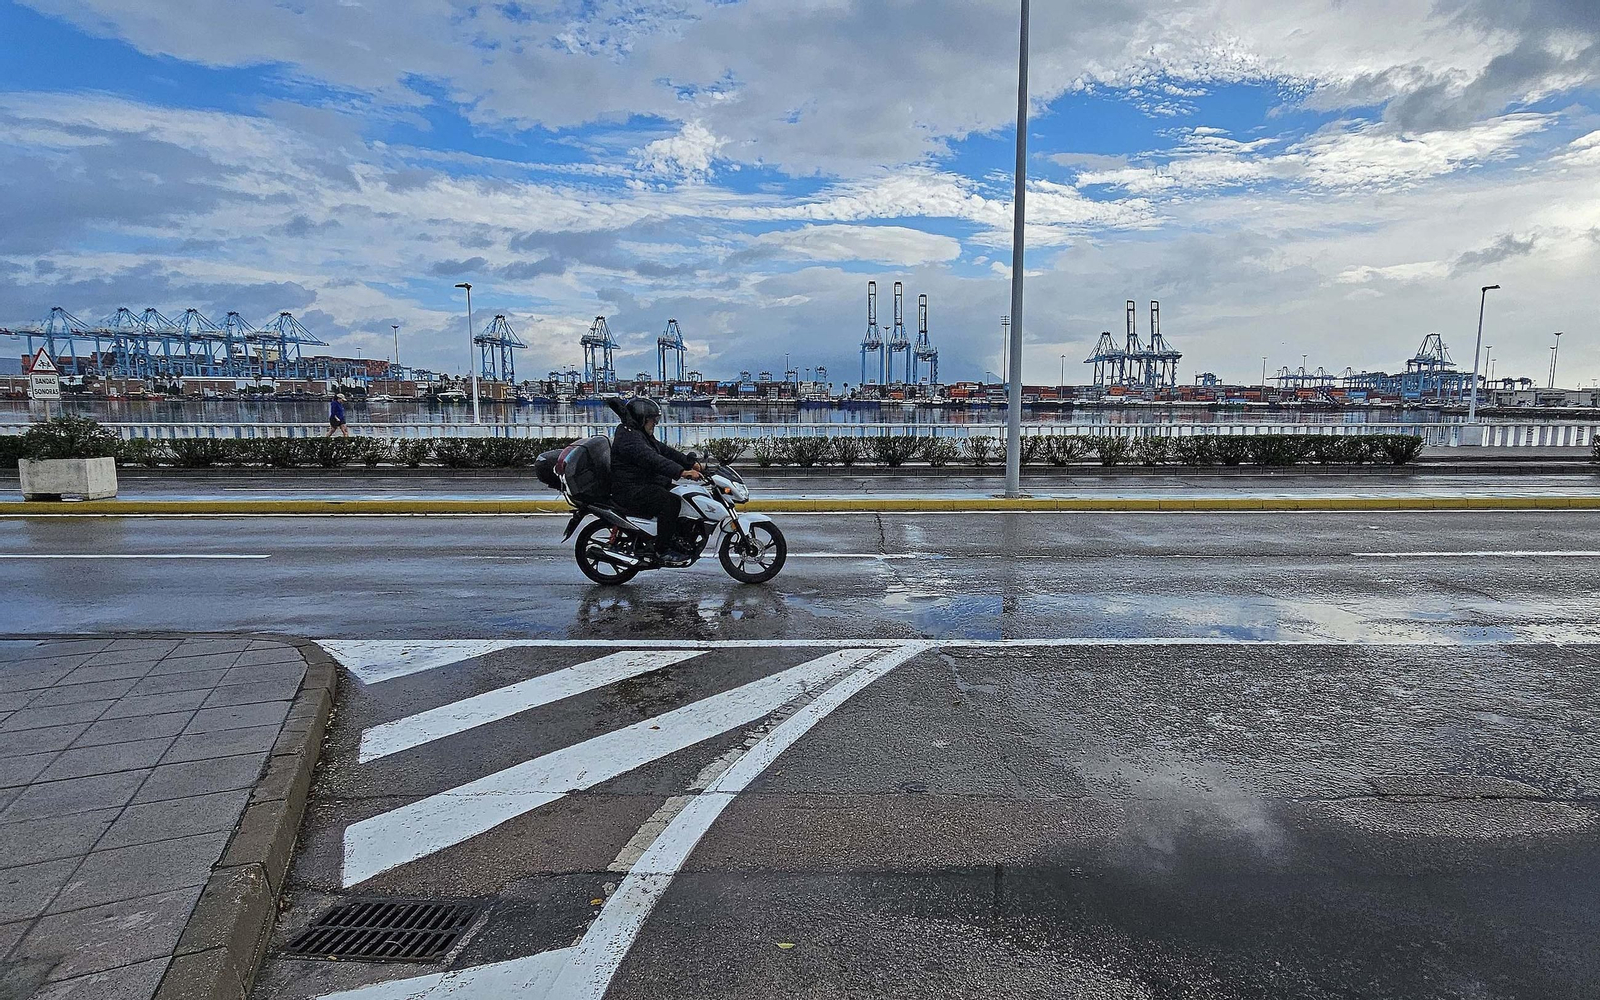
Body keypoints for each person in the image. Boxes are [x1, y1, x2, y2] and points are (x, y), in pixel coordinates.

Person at [611, 397, 703, 567]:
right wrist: (682, 472)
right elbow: (653, 459)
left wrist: (691, 464)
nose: (655, 423)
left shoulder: (638, 433)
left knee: (682, 494)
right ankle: (662, 550)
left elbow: (664, 451)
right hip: (630, 490)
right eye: (653, 420)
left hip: (641, 483)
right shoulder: (630, 438)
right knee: (670, 502)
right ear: (642, 418)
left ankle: (676, 537)